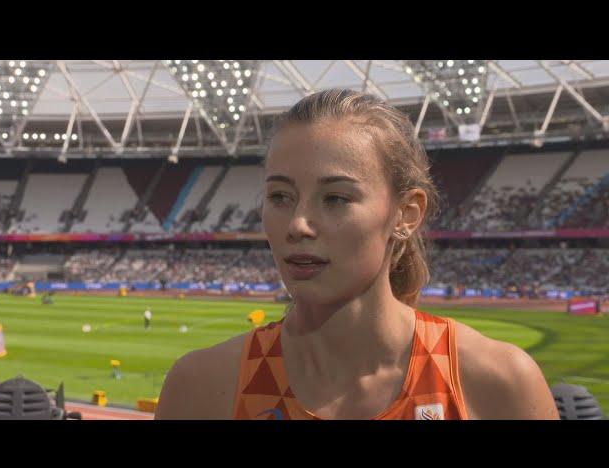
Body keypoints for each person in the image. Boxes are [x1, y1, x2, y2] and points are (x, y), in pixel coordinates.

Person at [155, 89, 559, 420]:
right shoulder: (202, 388)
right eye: (280, 196)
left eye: (335, 198)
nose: (298, 224)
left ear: (406, 213)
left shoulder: (497, 383)